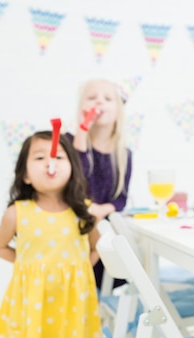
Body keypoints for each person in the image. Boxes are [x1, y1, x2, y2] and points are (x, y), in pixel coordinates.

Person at [0, 131, 105, 338]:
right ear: (26, 175)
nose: (49, 163)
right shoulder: (18, 213)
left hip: (73, 310)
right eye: (39, 157)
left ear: (72, 168)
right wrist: (29, 266)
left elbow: (97, 248)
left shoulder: (83, 212)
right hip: (33, 309)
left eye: (58, 156)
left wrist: (78, 270)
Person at [69, 78, 132, 290]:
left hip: (105, 231)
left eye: (107, 99)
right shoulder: (70, 142)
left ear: (118, 111)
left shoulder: (123, 154)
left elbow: (121, 199)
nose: (99, 103)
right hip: (73, 228)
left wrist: (100, 209)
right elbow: (78, 175)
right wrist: (82, 130)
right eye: (92, 98)